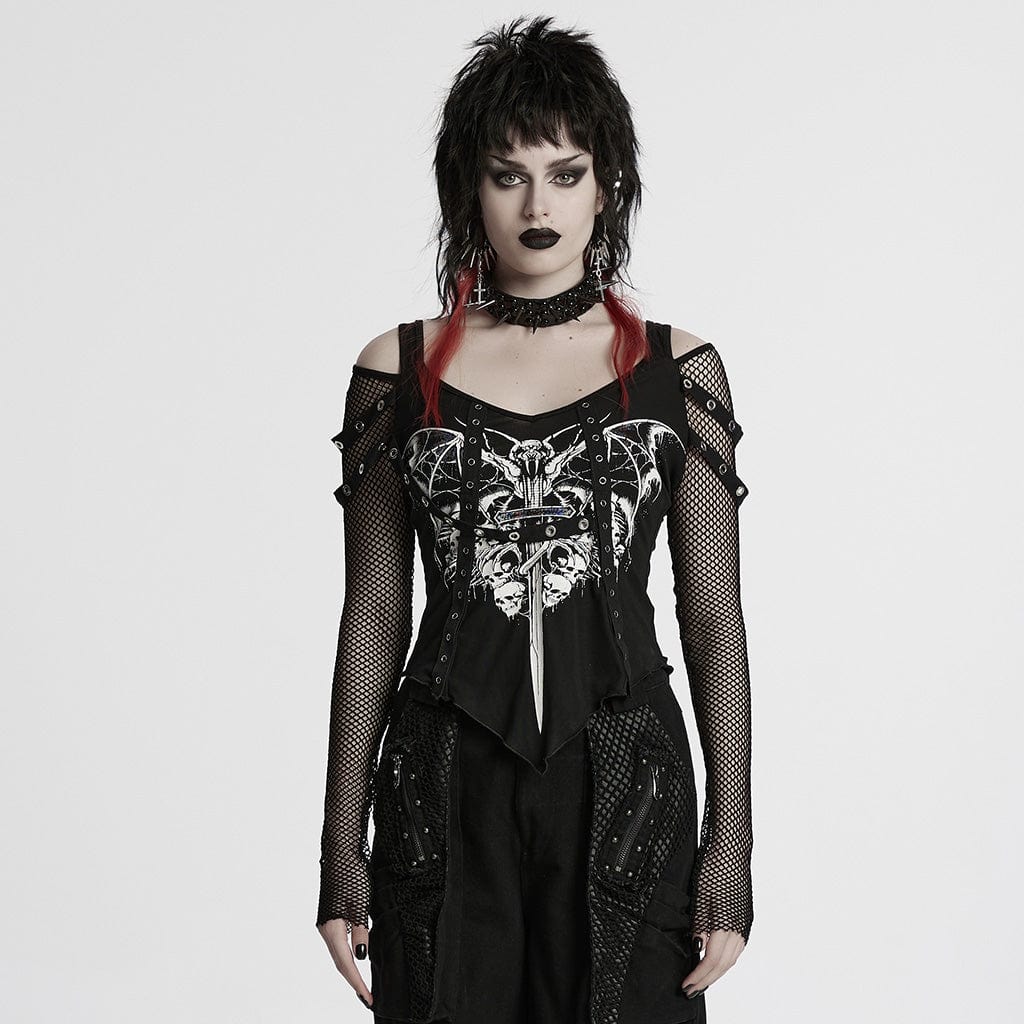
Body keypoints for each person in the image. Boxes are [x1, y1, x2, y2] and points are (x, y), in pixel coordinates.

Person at [315, 15, 753, 1024]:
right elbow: (373, 617)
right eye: (508, 175)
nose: (538, 204)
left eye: (565, 172)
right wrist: (341, 852)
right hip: (443, 786)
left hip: (627, 781)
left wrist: (728, 853)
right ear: (468, 186)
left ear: (607, 182)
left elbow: (711, 620)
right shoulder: (397, 370)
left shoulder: (676, 373)